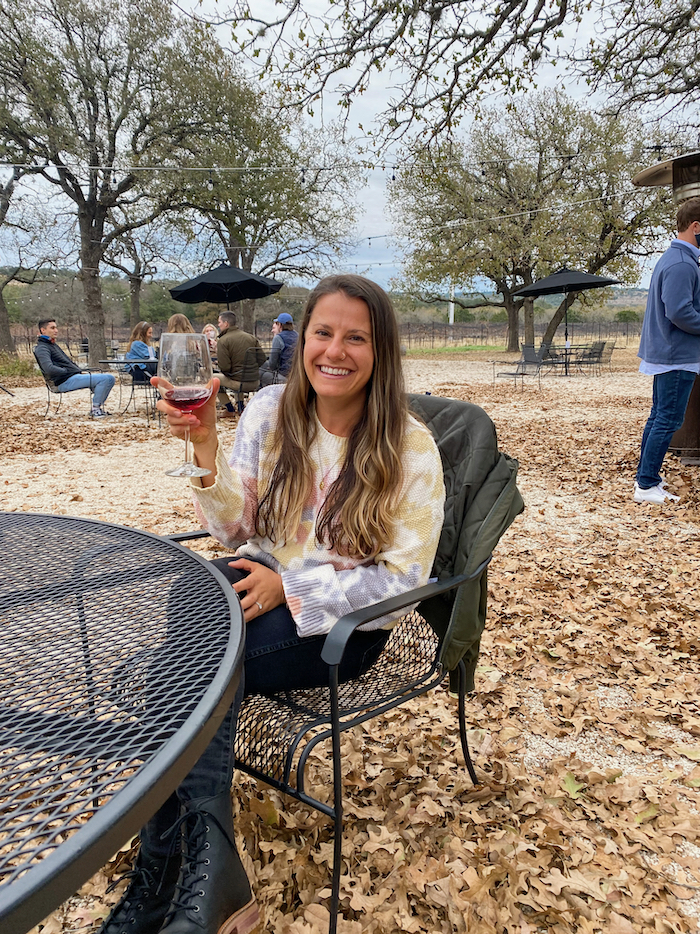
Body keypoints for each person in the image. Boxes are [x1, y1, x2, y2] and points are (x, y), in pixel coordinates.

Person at [99, 275, 445, 934]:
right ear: (302, 336)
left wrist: (288, 586)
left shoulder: (408, 444)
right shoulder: (266, 410)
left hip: (342, 623)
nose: (334, 351)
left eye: (356, 338)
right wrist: (203, 447)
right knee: (192, 600)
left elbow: (399, 585)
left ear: (382, 351)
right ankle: (202, 875)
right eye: (323, 332)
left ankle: (163, 877)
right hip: (259, 582)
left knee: (177, 678)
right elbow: (237, 534)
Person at [634, 197, 700, 504]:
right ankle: (646, 485)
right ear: (695, 226)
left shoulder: (673, 259)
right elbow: (679, 312)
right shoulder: (683, 264)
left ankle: (647, 481)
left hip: (669, 353)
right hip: (677, 354)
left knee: (659, 417)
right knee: (668, 420)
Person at [34, 319, 115, 418]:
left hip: (72, 376)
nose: (56, 330)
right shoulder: (42, 348)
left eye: (56, 327)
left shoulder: (51, 344)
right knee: (106, 379)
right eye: (52, 328)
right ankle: (95, 410)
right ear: (43, 330)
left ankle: (97, 406)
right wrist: (65, 371)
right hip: (63, 382)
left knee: (110, 378)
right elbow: (48, 368)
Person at [215, 310, 266, 419]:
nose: (218, 325)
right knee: (236, 374)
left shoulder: (223, 341)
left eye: (219, 322)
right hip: (255, 381)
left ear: (226, 324)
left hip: (239, 383)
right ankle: (240, 406)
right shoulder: (251, 337)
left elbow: (225, 367)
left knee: (212, 379)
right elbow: (262, 359)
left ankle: (229, 409)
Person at [259, 312, 299, 386]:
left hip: (284, 376)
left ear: (280, 325)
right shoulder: (298, 336)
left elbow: (272, 364)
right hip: (297, 375)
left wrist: (269, 367)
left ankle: (269, 396)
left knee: (263, 375)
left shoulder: (278, 338)